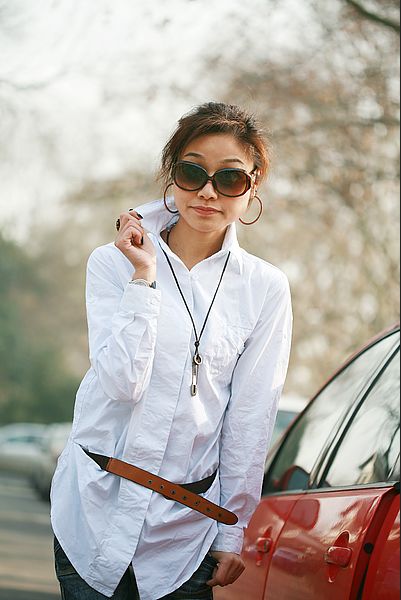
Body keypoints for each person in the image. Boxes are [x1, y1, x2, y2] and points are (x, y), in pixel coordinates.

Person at [50, 101, 293, 600]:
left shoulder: (265, 288)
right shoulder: (113, 263)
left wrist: (232, 529)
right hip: (94, 511)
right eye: (192, 172)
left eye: (229, 179)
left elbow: (249, 417)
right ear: (172, 175)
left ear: (253, 187)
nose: (207, 191)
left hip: (183, 533)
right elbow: (120, 383)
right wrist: (143, 278)